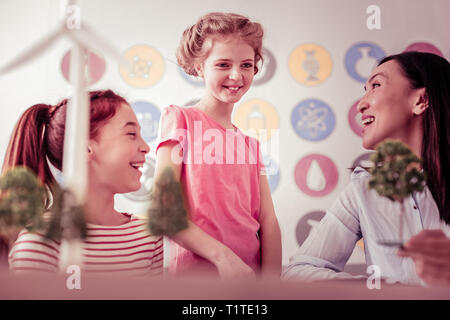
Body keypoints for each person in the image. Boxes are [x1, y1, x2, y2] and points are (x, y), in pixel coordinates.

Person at [283, 51, 450, 286]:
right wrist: (382, 290)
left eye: (376, 85)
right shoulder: (363, 189)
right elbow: (297, 273)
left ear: (420, 101)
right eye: (365, 90)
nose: (361, 105)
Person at [152, 12, 281, 278]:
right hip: (195, 280)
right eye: (223, 64)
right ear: (199, 67)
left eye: (246, 65)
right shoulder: (181, 120)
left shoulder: (250, 145)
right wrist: (224, 258)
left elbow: (268, 220)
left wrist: (271, 284)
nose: (236, 75)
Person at [4, 90, 163, 276]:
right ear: (85, 148)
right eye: (131, 134)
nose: (146, 147)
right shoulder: (40, 240)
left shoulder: (149, 237)